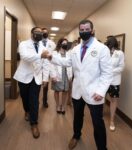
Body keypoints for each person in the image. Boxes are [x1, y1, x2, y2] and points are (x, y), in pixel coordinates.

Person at [46, 20, 112, 150]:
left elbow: (107, 73)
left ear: (92, 31)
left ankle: (102, 147)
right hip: (77, 91)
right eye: (81, 30)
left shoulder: (101, 49)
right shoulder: (75, 49)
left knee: (97, 122)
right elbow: (66, 62)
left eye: (87, 29)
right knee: (77, 116)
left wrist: (101, 91)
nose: (84, 32)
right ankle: (76, 135)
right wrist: (50, 57)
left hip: (94, 92)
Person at [13, 27, 49, 138]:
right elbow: (24, 57)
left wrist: (45, 78)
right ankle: (27, 110)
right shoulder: (23, 44)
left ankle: (34, 124)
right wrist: (39, 55)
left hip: (36, 77)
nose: (39, 34)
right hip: (24, 77)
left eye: (41, 33)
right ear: (32, 33)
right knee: (24, 98)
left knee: (34, 101)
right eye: (37, 32)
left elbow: (46, 63)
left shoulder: (44, 47)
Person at [105, 36, 125, 131]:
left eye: (109, 43)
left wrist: (110, 71)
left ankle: (112, 120)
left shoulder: (120, 53)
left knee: (113, 100)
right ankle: (99, 116)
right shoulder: (105, 52)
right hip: (103, 80)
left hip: (114, 81)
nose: (108, 45)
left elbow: (121, 67)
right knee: (100, 98)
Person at [51, 38, 72, 114]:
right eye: (63, 43)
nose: (65, 45)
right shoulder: (54, 53)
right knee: (57, 91)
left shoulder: (69, 53)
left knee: (65, 91)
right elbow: (51, 65)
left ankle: (63, 106)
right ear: (60, 44)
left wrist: (70, 75)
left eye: (66, 43)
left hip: (66, 74)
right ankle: (57, 105)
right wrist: (53, 76)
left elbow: (71, 65)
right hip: (57, 74)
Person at [41, 28, 56, 108]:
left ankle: (44, 101)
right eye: (43, 32)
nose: (44, 33)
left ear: (48, 34)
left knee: (45, 86)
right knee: (36, 86)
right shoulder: (38, 42)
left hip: (47, 67)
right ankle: (36, 101)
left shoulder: (52, 44)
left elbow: (52, 58)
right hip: (38, 68)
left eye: (46, 33)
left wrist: (53, 74)